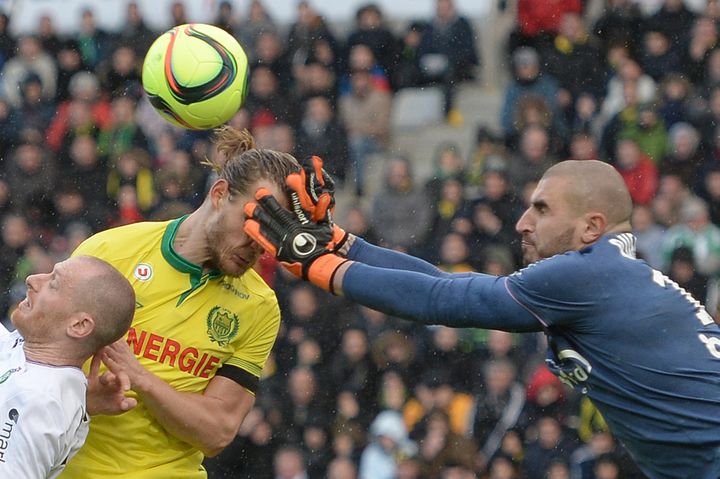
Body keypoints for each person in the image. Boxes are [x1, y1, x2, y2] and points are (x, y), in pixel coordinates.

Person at [245, 159, 720, 478]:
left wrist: (319, 265)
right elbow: (444, 284)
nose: (522, 223)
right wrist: (345, 245)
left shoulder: (587, 275)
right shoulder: (607, 274)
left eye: (541, 208)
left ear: (591, 227)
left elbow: (444, 300)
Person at [60, 126, 301, 478]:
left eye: (270, 240)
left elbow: (217, 431)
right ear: (220, 195)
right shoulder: (110, 252)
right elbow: (33, 371)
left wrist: (141, 378)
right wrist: (82, 401)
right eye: (251, 227)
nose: (258, 247)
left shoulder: (259, 305)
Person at [0, 255, 135, 478]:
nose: (33, 279)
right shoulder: (34, 369)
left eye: (53, 283)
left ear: (79, 325)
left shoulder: (37, 403)